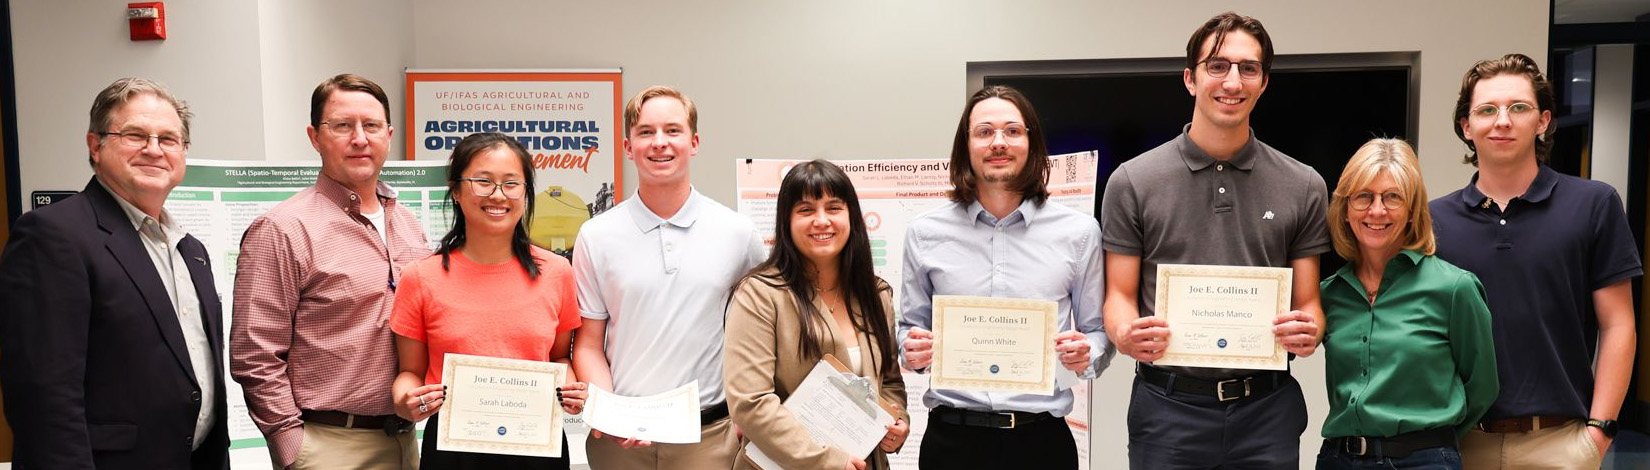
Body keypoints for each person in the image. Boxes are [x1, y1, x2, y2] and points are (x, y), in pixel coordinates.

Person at [1100, 12, 1330, 469]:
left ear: (1263, 83)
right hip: (1167, 410)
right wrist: (1125, 334)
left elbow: (1310, 305)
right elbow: (1119, 297)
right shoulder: (1133, 180)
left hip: (1266, 411)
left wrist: (1309, 333)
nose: (1233, 81)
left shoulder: (1303, 185)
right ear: (1191, 78)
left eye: (1248, 68)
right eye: (1217, 66)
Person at [0, 77, 229, 469]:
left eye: (168, 139)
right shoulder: (54, 236)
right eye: (135, 135)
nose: (153, 149)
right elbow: (44, 398)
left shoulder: (192, 252)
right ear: (96, 145)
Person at [1430, 53, 1641, 470]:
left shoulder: (1594, 204)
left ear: (1542, 121)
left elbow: (1619, 324)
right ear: (1466, 127)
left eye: (1518, 107)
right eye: (1487, 110)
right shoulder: (1434, 220)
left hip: (1562, 443)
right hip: (1460, 443)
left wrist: (1599, 432)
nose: (1502, 120)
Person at [897, 85, 1111, 470]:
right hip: (952, 442)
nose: (999, 142)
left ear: (1031, 142)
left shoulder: (1079, 233)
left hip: (1041, 442)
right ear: (967, 145)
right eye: (984, 132)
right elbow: (908, 328)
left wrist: (1086, 353)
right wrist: (911, 350)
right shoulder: (924, 232)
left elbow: (1098, 332)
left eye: (1012, 131)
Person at [231, 73, 429, 470]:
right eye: (342, 125)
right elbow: (255, 353)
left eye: (371, 125)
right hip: (328, 446)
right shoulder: (284, 228)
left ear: (388, 135)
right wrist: (292, 448)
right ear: (314, 136)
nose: (360, 138)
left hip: (405, 442)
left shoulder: (409, 224)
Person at [570, 85, 766, 470]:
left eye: (672, 131)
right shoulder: (596, 235)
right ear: (629, 147)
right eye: (645, 132)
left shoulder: (737, 233)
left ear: (693, 142)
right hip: (620, 445)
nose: (660, 143)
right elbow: (588, 344)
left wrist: (750, 415)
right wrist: (611, 415)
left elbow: (759, 336)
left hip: (711, 437)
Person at [388, 132, 587, 469]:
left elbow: (558, 358)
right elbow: (409, 372)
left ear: (525, 193)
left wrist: (571, 389)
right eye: (483, 182)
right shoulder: (420, 277)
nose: (498, 195)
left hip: (539, 447)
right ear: (455, 190)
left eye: (512, 184)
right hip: (453, 451)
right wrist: (404, 400)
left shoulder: (557, 272)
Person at [1316, 138, 1498, 469]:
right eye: (1363, 197)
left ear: (1413, 210)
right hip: (1338, 459)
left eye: (1392, 197)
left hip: (1422, 460)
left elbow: (1483, 388)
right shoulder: (1330, 294)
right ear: (1344, 209)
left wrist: (1428, 444)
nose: (1376, 210)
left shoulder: (1454, 288)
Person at [725, 160, 911, 470]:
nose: (821, 221)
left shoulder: (876, 295)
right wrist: (825, 461)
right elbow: (751, 403)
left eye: (834, 208)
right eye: (806, 210)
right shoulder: (759, 294)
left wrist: (897, 422)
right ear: (786, 221)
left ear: (851, 216)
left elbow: (889, 381)